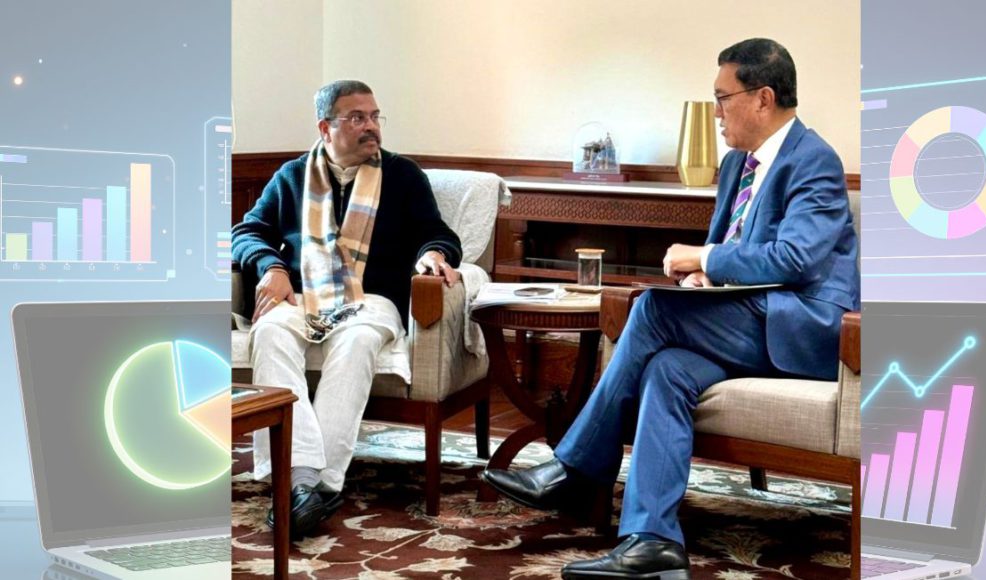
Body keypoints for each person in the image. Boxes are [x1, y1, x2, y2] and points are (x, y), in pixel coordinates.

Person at [482, 38, 859, 579]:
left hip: (804, 328)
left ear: (763, 98)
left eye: (722, 98)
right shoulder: (737, 166)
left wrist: (703, 255)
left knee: (655, 310)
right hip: (747, 320)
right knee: (667, 369)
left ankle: (574, 465)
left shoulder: (814, 160)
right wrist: (706, 274)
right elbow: (739, 248)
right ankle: (652, 542)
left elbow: (796, 258)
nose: (716, 113)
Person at [232, 80, 462, 538]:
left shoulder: (403, 176)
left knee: (356, 342)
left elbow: (438, 234)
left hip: (372, 298)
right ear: (326, 126)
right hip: (302, 295)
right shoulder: (292, 176)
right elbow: (246, 231)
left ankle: (308, 485)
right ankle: (303, 485)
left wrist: (434, 254)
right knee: (271, 332)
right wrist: (272, 266)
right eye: (357, 118)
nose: (370, 127)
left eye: (375, 116)